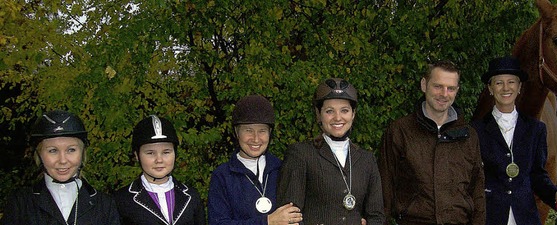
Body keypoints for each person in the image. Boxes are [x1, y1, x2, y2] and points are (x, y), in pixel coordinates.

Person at [378, 61, 486, 225]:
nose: (444, 93)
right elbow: (384, 188)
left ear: (457, 91)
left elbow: (477, 191)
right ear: (424, 84)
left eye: (450, 88)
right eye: (438, 86)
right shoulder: (400, 131)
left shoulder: (468, 136)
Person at [471, 56, 557, 225]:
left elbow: (538, 175)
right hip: (489, 216)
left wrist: (555, 194)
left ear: (519, 87)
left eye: (511, 82)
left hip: (525, 216)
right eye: (498, 83)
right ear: (490, 88)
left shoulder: (536, 129)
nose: (505, 88)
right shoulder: (475, 131)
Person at [277, 78, 385, 225]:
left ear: (353, 114)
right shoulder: (300, 154)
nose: (338, 117)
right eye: (329, 111)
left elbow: (376, 216)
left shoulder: (367, 159)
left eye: (344, 110)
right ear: (318, 114)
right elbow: (290, 216)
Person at [0, 110, 120, 225]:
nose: (62, 160)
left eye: (71, 150)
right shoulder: (21, 203)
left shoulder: (105, 204)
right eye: (53, 151)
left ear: (82, 152)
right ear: (39, 154)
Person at [207, 95, 303, 225]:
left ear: (270, 133)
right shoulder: (222, 176)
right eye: (248, 131)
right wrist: (267, 222)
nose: (256, 139)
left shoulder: (282, 169)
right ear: (236, 132)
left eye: (262, 131)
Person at [113, 115, 206, 225]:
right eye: (150, 153)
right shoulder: (122, 200)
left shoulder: (191, 196)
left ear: (175, 153)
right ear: (137, 155)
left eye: (166, 152)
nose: (159, 160)